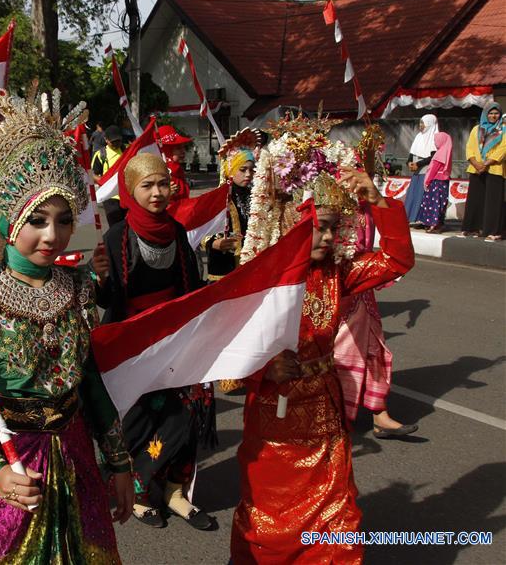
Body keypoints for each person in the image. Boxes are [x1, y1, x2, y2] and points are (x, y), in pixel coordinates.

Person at [0, 86, 134, 563]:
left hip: (76, 455)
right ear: (6, 222)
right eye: (37, 220)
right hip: (12, 470)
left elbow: (88, 379)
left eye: (64, 220)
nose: (53, 234)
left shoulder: (78, 287)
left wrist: (119, 460)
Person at [232, 121, 415, 564]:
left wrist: (376, 199)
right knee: (270, 523)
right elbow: (224, 353)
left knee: (337, 519)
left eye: (334, 228)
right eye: (319, 227)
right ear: (292, 224)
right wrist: (263, 368)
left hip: (326, 417)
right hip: (274, 418)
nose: (330, 237)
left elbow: (397, 258)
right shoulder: (259, 280)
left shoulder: (339, 274)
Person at [96, 152, 218, 531]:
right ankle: (141, 493)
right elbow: (108, 300)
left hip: (175, 341)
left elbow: (190, 287)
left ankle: (175, 491)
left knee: (186, 413)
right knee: (141, 420)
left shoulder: (176, 231)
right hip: (134, 345)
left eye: (163, 184)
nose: (157, 192)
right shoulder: (116, 236)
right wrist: (100, 278)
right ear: (131, 191)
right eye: (147, 186)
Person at [335, 200, 418, 439]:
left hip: (362, 280)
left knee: (374, 349)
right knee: (343, 351)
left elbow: (396, 257)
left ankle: (379, 413)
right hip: (338, 283)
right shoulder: (322, 191)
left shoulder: (367, 202)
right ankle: (334, 416)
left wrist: (377, 199)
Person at [205, 130, 257, 281]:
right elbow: (203, 231)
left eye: (251, 170)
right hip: (224, 266)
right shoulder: (218, 197)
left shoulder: (254, 194)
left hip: (250, 264)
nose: (248, 174)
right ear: (231, 169)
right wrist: (214, 243)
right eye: (243, 170)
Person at [462, 102, 505, 241]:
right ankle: (474, 227)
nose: (493, 116)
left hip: (494, 168)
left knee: (493, 201)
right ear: (486, 114)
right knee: (476, 200)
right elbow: (469, 148)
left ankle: (492, 230)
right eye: (491, 113)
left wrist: (486, 163)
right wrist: (476, 163)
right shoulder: (476, 129)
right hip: (476, 169)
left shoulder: (503, 129)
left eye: (496, 113)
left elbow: (503, 148)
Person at [404, 114, 438, 226]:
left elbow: (433, 156)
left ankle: (420, 219)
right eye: (420, 123)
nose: (420, 125)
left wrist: (418, 164)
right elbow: (412, 153)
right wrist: (409, 163)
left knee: (421, 193)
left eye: (422, 123)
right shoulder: (419, 136)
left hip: (426, 169)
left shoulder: (435, 137)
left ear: (429, 123)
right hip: (416, 169)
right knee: (413, 193)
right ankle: (409, 217)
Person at [91, 125, 126, 227]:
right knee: (115, 227)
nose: (116, 144)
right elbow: (92, 174)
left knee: (129, 226)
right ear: (106, 140)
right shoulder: (101, 154)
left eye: (118, 141)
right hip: (111, 197)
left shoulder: (127, 150)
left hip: (127, 194)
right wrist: (104, 181)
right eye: (113, 141)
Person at [417, 131, 452, 233]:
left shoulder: (439, 154)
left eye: (436, 140)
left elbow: (432, 170)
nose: (435, 143)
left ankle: (433, 225)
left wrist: (427, 181)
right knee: (441, 203)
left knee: (433, 203)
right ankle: (439, 224)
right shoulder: (446, 152)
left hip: (436, 182)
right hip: (444, 182)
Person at [157, 124, 191, 205]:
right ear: (167, 150)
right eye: (178, 148)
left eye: (183, 147)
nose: (183, 151)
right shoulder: (159, 171)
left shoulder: (176, 169)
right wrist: (166, 195)